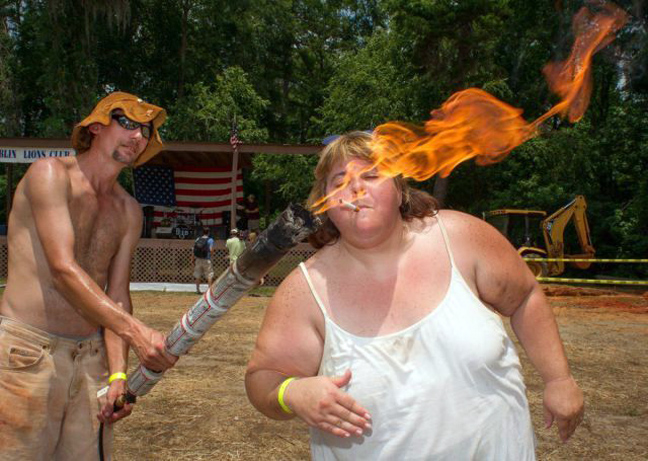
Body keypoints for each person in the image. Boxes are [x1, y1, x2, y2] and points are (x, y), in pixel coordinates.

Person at [245, 131, 584, 460]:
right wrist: (292, 392)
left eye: (372, 175)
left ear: (400, 191)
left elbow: (525, 297)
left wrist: (558, 378)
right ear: (326, 204)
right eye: (339, 182)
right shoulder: (305, 289)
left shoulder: (460, 236)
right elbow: (263, 378)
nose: (356, 188)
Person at [0, 91, 178, 460]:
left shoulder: (128, 210)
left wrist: (117, 374)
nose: (138, 136)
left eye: (146, 130)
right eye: (127, 123)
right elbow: (62, 270)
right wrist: (136, 332)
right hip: (27, 354)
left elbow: (117, 295)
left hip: (90, 360)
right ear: (96, 126)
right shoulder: (50, 174)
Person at [191, 227, 215, 293]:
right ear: (208, 232)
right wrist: (211, 255)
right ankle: (209, 291)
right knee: (209, 275)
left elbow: (194, 249)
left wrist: (192, 259)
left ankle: (198, 290)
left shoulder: (198, 239)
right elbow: (211, 250)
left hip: (198, 259)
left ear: (202, 232)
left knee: (198, 275)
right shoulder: (210, 240)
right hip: (206, 259)